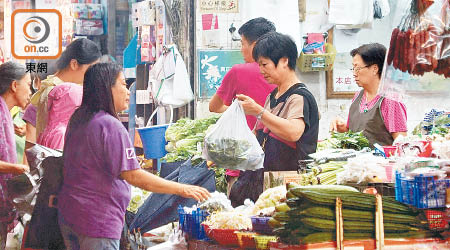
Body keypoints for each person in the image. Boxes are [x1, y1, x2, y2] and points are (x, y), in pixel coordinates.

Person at [57, 63, 210, 250]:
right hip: (97, 220)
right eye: (123, 84)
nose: (128, 92)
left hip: (70, 215)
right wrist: (182, 189)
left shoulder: (79, 120)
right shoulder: (109, 125)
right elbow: (134, 176)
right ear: (107, 88)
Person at [208, 17, 277, 195]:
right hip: (277, 162)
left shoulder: (239, 72)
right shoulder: (282, 73)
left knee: (240, 217)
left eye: (243, 43)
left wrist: (239, 110)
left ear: (255, 45)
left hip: (243, 161)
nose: (241, 49)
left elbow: (214, 107)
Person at [237, 32, 320, 171]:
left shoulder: (299, 97)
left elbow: (293, 133)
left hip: (288, 180)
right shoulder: (273, 95)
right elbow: (258, 133)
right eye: (259, 65)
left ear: (284, 61)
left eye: (264, 64)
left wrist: (258, 111)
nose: (261, 70)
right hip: (267, 176)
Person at [330, 43, 407, 146]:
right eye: (353, 68)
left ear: (375, 69)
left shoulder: (390, 100)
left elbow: (401, 143)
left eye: (357, 68)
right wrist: (341, 127)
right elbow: (353, 132)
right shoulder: (358, 96)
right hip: (355, 161)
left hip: (380, 161)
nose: (354, 73)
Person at [33, 38, 101, 150]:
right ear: (74, 64)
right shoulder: (61, 92)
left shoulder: (52, 86)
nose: (92, 75)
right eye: (90, 69)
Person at [0, 61, 31, 249]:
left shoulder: (5, 113)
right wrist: (17, 168)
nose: (30, 91)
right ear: (14, 85)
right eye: (28, 84)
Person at [22, 59, 58, 163]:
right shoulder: (68, 101)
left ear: (38, 80)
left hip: (41, 166)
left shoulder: (34, 107)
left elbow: (29, 148)